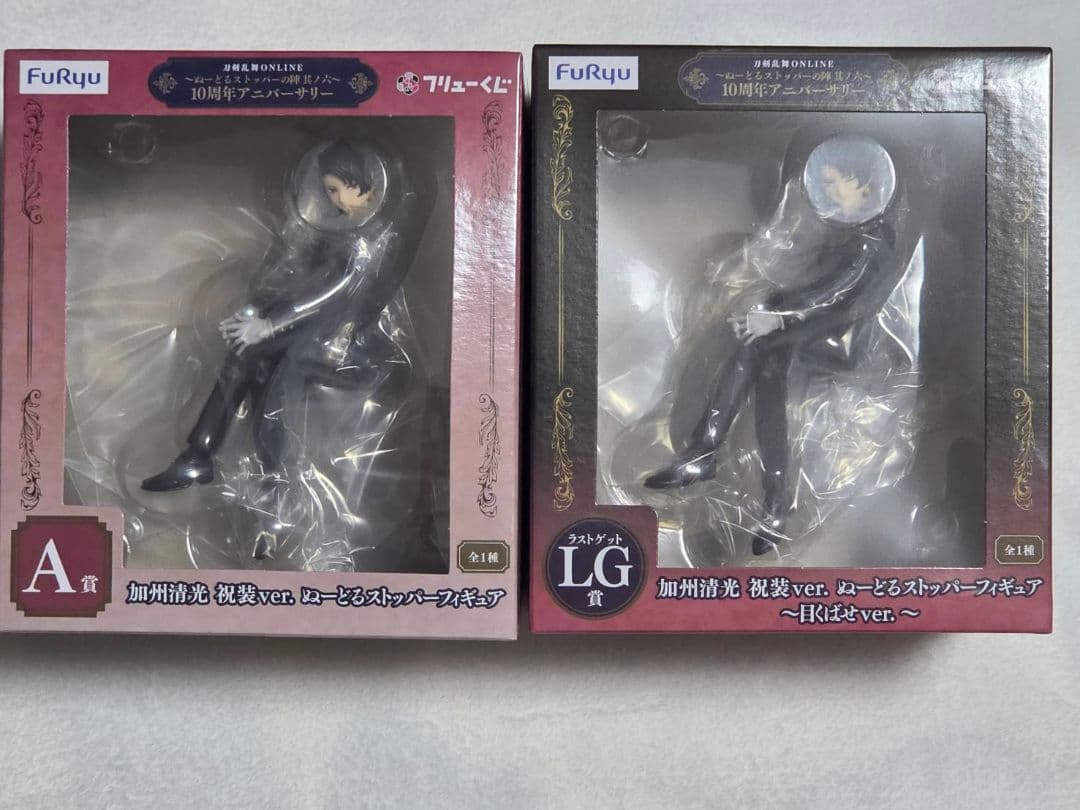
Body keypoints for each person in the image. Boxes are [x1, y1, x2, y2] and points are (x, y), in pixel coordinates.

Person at [141, 138, 431, 558]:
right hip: (311, 330)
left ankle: (274, 507)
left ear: (359, 182)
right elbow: (294, 277)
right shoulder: (336, 226)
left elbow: (332, 292)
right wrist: (253, 312)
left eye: (337, 189)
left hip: (344, 342)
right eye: (328, 190)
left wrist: (268, 325)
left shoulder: (371, 236)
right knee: (244, 357)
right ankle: (199, 455)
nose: (334, 199)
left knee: (274, 402)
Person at [643, 136, 901, 555]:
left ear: (863, 184)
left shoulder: (871, 244)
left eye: (836, 183)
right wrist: (763, 309)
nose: (829, 192)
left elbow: (834, 296)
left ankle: (711, 456)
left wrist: (775, 318)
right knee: (765, 377)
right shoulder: (850, 236)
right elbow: (815, 291)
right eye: (826, 183)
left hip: (842, 340)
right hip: (813, 328)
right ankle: (772, 501)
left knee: (759, 351)